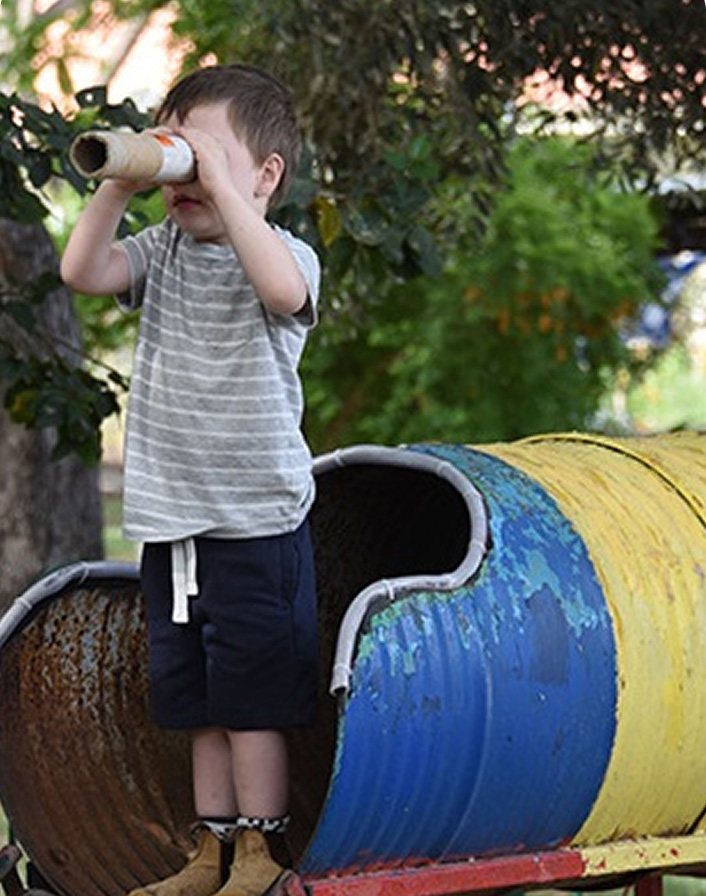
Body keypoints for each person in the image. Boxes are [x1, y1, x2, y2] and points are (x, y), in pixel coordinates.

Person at [61, 63, 321, 896]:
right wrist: (124, 176)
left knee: (254, 704)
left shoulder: (285, 255)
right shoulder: (161, 252)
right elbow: (81, 273)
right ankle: (207, 850)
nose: (187, 174)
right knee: (196, 702)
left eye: (203, 152)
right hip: (175, 529)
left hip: (255, 526)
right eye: (175, 153)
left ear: (266, 175)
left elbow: (281, 294)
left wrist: (224, 189)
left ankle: (260, 853)